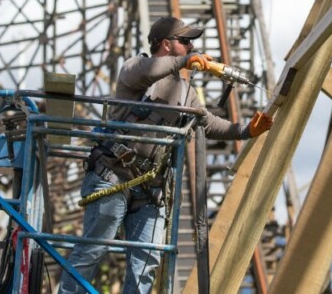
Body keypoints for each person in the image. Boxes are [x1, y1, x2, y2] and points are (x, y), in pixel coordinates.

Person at [58, 16, 274, 294]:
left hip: (150, 190)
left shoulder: (185, 92)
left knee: (146, 262)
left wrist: (246, 130)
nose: (191, 46)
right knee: (94, 248)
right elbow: (151, 69)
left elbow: (207, 123)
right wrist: (185, 62)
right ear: (166, 44)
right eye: (185, 41)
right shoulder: (135, 69)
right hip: (113, 177)